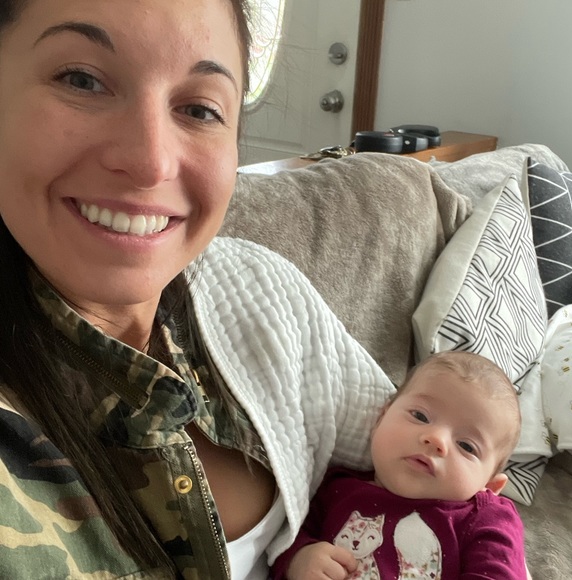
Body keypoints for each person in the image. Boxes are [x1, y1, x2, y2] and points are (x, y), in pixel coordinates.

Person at [0, 1, 396, 579]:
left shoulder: (261, 288)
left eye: (199, 109)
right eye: (81, 80)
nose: (151, 161)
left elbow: (419, 457)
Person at [271, 351, 529, 580]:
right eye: (420, 416)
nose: (436, 439)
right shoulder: (336, 488)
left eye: (466, 446)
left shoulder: (485, 517)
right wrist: (299, 559)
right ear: (381, 419)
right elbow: (282, 538)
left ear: (489, 486)